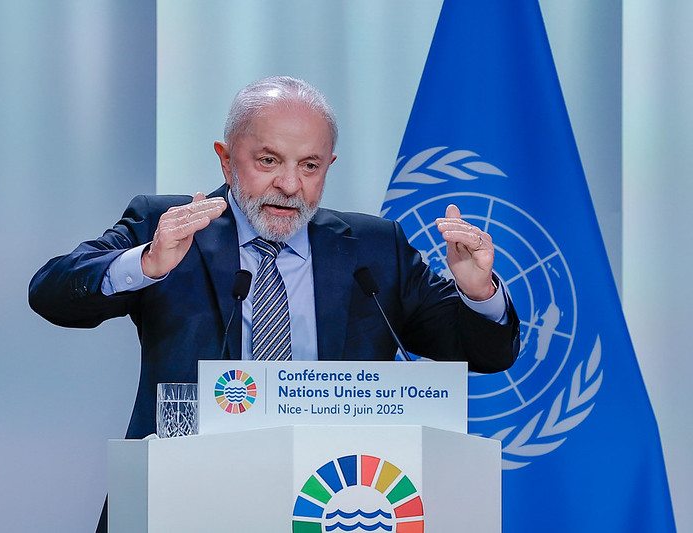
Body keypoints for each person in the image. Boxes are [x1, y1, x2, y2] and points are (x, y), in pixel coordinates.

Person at [29, 76, 519, 531]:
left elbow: (486, 353)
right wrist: (147, 263)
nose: (289, 185)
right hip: (184, 501)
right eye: (268, 161)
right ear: (225, 159)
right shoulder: (169, 226)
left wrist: (479, 292)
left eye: (309, 166)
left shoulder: (374, 248)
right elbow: (51, 291)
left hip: (332, 507)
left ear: (329, 166)